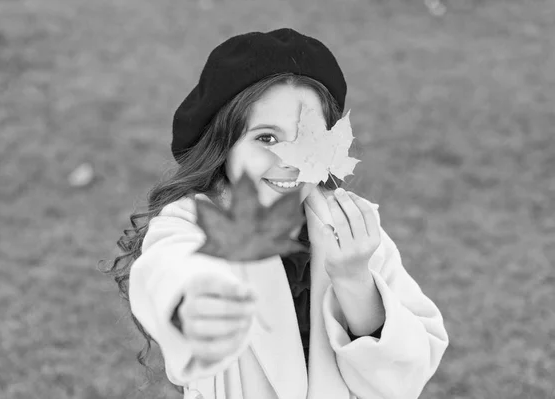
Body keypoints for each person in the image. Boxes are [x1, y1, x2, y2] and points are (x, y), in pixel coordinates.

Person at [109, 28, 449, 399]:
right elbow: (165, 269)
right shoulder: (191, 222)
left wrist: (354, 279)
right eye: (266, 138)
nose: (289, 161)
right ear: (224, 146)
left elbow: (405, 373)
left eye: (307, 137)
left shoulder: (353, 230)